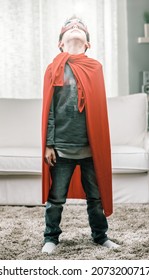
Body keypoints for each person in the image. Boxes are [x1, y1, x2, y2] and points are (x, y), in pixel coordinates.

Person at [41, 16, 119, 255]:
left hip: (89, 148)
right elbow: (49, 110)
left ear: (87, 44)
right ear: (60, 44)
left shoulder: (95, 68)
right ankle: (51, 237)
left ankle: (100, 236)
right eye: (70, 28)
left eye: (80, 29)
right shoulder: (54, 68)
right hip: (62, 148)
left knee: (95, 198)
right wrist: (49, 144)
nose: (75, 28)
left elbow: (98, 111)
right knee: (56, 199)